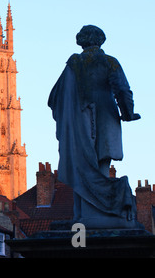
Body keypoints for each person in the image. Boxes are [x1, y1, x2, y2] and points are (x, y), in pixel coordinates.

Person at [48, 25, 142, 229]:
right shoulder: (109, 62)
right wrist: (128, 113)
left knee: (80, 167)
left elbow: (54, 97)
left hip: (78, 122)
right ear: (100, 40)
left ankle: (82, 215)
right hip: (105, 116)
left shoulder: (73, 64)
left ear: (82, 40)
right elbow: (123, 90)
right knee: (100, 166)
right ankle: (95, 215)